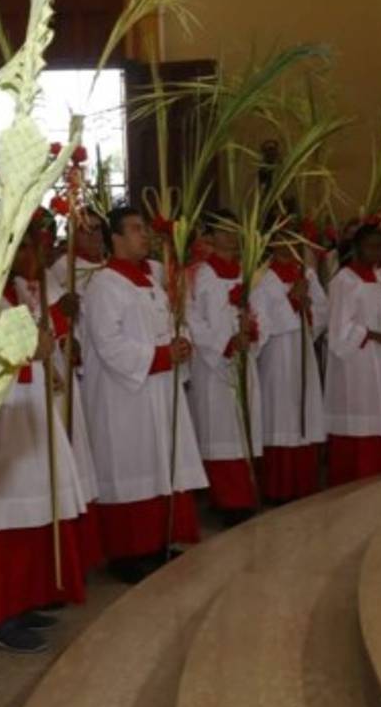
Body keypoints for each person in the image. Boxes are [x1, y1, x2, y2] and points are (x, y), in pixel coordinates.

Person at [0, 225, 95, 653]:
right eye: (20, 252)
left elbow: (34, 342)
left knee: (28, 517)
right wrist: (28, 348)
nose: (31, 258)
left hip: (23, 418)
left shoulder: (12, 296)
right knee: (1, 522)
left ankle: (19, 604)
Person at [80, 206, 207, 584]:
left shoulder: (151, 279)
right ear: (114, 238)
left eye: (144, 229)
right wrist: (162, 355)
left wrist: (180, 342)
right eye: (135, 229)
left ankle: (156, 541)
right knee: (130, 466)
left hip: (157, 385)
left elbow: (166, 323)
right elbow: (108, 343)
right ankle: (127, 552)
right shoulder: (104, 284)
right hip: (124, 396)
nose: (144, 235)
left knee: (158, 465)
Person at [187, 212, 264, 522]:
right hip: (215, 363)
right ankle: (227, 500)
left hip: (244, 358)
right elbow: (192, 318)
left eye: (236, 230)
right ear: (211, 235)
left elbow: (261, 312)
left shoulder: (248, 272)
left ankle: (246, 494)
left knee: (243, 427)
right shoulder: (200, 276)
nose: (232, 237)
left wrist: (253, 331)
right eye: (225, 230)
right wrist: (225, 342)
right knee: (220, 431)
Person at [251, 240, 327, 502]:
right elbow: (258, 321)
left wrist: (309, 314)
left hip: (302, 350)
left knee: (303, 410)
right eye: (283, 241)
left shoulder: (306, 273)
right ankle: (278, 488)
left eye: (295, 242)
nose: (290, 247)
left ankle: (304, 483)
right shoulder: (262, 278)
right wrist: (292, 303)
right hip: (276, 354)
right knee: (281, 412)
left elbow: (323, 309)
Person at [324, 224, 381, 486]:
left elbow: (374, 315)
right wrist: (376, 334)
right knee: (358, 419)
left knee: (377, 416)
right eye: (371, 246)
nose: (378, 252)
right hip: (354, 362)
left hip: (376, 361)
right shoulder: (345, 281)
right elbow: (338, 331)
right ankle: (355, 479)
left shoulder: (380, 278)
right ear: (356, 248)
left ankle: (379, 475)